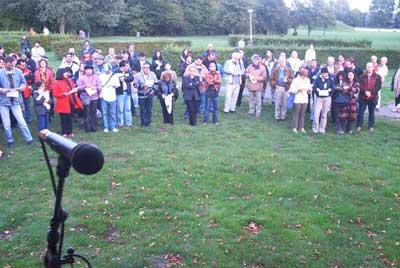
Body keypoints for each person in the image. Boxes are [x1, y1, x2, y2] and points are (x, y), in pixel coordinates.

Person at [0, 56, 34, 148]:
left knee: (21, 121)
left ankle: (29, 138)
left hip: (15, 101)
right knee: (6, 124)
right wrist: (2, 90)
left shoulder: (18, 72)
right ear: (5, 63)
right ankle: (10, 140)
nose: (11, 66)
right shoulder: (0, 73)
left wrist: (21, 88)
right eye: (9, 65)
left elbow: (24, 83)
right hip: (3, 102)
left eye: (13, 64)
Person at [357, 62, 382, 132]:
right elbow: (360, 85)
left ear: (373, 67)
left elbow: (378, 86)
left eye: (370, 67)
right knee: (361, 112)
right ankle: (359, 125)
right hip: (363, 97)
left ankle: (371, 126)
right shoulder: (362, 76)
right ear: (366, 67)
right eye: (367, 67)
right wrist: (365, 91)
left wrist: (371, 92)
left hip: (373, 97)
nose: (369, 68)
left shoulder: (377, 76)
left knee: (371, 112)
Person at [77, 65, 102, 132]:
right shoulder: (81, 77)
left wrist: (95, 87)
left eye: (90, 69)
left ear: (92, 70)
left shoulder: (96, 77)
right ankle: (87, 128)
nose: (89, 71)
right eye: (87, 69)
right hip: (85, 97)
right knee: (86, 112)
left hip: (94, 97)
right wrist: (85, 86)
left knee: (93, 112)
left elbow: (100, 86)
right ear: (85, 70)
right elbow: (78, 88)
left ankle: (94, 127)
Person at [289, 67, 312, 133]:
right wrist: (298, 90)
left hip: (305, 99)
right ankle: (294, 127)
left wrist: (309, 90)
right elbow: (292, 90)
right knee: (296, 114)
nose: (307, 73)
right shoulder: (295, 80)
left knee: (302, 114)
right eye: (306, 72)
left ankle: (301, 127)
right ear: (302, 73)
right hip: (298, 99)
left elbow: (309, 88)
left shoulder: (307, 80)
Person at [270, 56, 294, 121]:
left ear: (285, 62)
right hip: (279, 87)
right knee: (278, 103)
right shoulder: (275, 69)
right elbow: (271, 79)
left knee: (284, 103)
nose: (282, 63)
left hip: (286, 87)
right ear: (279, 62)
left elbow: (292, 79)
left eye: (283, 61)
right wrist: (275, 85)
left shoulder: (289, 70)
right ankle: (277, 116)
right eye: (280, 61)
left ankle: (283, 116)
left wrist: (287, 80)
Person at [134, 63, 158, 128]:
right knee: (142, 109)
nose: (147, 69)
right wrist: (142, 86)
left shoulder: (152, 74)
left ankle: (148, 122)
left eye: (148, 67)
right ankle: (143, 123)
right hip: (141, 94)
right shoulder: (137, 75)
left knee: (149, 109)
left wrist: (153, 90)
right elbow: (135, 85)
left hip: (150, 94)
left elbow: (156, 83)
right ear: (142, 68)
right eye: (145, 67)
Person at [335, 70, 359, 134]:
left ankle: (349, 129)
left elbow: (356, 90)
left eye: (351, 75)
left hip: (352, 101)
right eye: (349, 75)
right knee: (343, 115)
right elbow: (343, 90)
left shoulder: (356, 83)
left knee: (351, 116)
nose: (350, 76)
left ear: (354, 75)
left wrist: (349, 88)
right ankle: (342, 129)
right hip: (345, 100)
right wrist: (349, 89)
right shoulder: (344, 82)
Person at [313, 67, 334, 134]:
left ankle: (322, 128)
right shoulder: (318, 80)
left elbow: (333, 88)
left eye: (326, 73)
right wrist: (317, 90)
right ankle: (315, 128)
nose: (326, 75)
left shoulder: (330, 80)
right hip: (319, 98)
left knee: (324, 114)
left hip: (327, 98)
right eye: (324, 73)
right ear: (321, 73)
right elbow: (314, 87)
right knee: (316, 113)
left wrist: (330, 90)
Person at [99, 64, 119, 133]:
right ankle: (106, 127)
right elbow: (100, 86)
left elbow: (117, 85)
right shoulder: (101, 76)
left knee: (112, 112)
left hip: (112, 96)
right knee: (104, 113)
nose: (107, 71)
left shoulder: (114, 76)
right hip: (104, 96)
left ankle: (113, 126)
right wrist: (100, 93)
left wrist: (113, 85)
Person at [114, 60, 134, 128]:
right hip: (120, 93)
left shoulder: (128, 72)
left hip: (127, 92)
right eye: (127, 66)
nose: (128, 67)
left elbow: (131, 78)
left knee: (128, 108)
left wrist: (125, 78)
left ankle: (129, 123)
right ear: (122, 66)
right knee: (120, 109)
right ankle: (120, 123)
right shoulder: (116, 72)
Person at [16, 59, 34, 123]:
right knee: (18, 106)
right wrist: (24, 76)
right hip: (18, 92)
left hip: (26, 92)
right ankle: (20, 119)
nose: (24, 66)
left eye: (24, 65)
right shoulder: (15, 71)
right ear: (18, 65)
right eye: (22, 65)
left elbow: (31, 79)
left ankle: (28, 118)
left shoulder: (28, 71)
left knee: (27, 106)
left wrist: (23, 78)